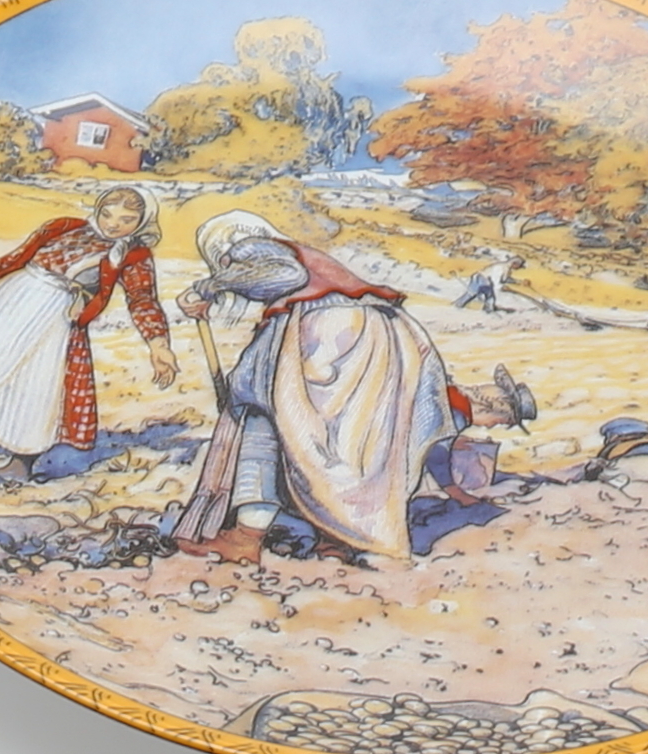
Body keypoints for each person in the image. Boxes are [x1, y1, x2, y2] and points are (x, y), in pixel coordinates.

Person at [170, 210, 458, 565]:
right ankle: (339, 537)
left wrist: (209, 287)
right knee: (349, 443)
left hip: (327, 334)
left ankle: (246, 536)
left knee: (268, 421)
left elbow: (284, 274)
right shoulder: (309, 258)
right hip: (386, 335)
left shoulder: (253, 247)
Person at [0, 187, 177, 470]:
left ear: (142, 222)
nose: (113, 224)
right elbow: (11, 261)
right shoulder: (64, 227)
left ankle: (20, 461)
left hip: (57, 317)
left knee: (34, 380)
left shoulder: (133, 255)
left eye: (126, 220)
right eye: (107, 214)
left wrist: (159, 345)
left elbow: (142, 300)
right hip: (11, 300)